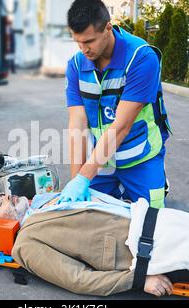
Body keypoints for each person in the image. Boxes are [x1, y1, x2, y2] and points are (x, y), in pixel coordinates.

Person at [0, 191, 189, 298]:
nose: (5, 198)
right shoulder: (26, 243)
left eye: (0, 195)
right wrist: (140, 280)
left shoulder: (44, 204)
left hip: (156, 221)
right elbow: (77, 279)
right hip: (149, 248)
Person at [61, 0, 171, 208]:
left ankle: (157, 180)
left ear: (108, 28)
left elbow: (121, 127)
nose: (84, 49)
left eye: (90, 41)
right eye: (78, 42)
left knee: (152, 220)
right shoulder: (75, 66)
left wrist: (84, 178)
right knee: (87, 214)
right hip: (102, 160)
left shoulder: (142, 57)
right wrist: (76, 180)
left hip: (141, 156)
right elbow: (77, 124)